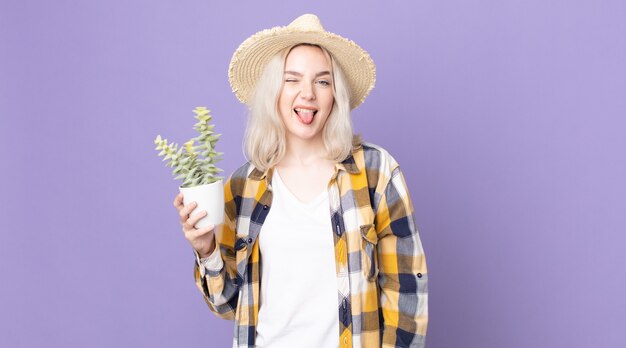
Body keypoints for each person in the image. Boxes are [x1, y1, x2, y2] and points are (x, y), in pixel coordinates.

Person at [173, 14, 428, 348]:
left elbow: (407, 291)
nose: (307, 93)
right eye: (292, 80)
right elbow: (229, 305)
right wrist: (206, 251)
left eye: (322, 81)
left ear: (335, 95)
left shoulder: (376, 172)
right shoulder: (243, 186)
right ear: (273, 92)